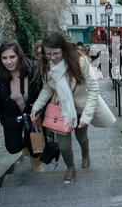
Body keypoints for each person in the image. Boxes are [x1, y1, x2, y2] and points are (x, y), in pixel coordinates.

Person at [30, 31, 115, 183]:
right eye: (48, 54)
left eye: (56, 53)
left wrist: (87, 116)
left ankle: (85, 154)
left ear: (63, 49)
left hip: (81, 109)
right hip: (61, 110)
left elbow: (94, 90)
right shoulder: (46, 64)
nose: (52, 57)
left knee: (81, 138)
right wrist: (37, 106)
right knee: (64, 146)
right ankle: (70, 168)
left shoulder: (80, 62)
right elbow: (48, 88)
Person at [0, 40, 44, 172]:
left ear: (19, 56)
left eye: (12, 57)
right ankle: (26, 147)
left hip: (31, 115)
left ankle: (38, 170)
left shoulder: (33, 70)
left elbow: (43, 92)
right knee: (13, 148)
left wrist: (40, 108)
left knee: (35, 148)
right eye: (4, 58)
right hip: (10, 118)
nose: (9, 61)